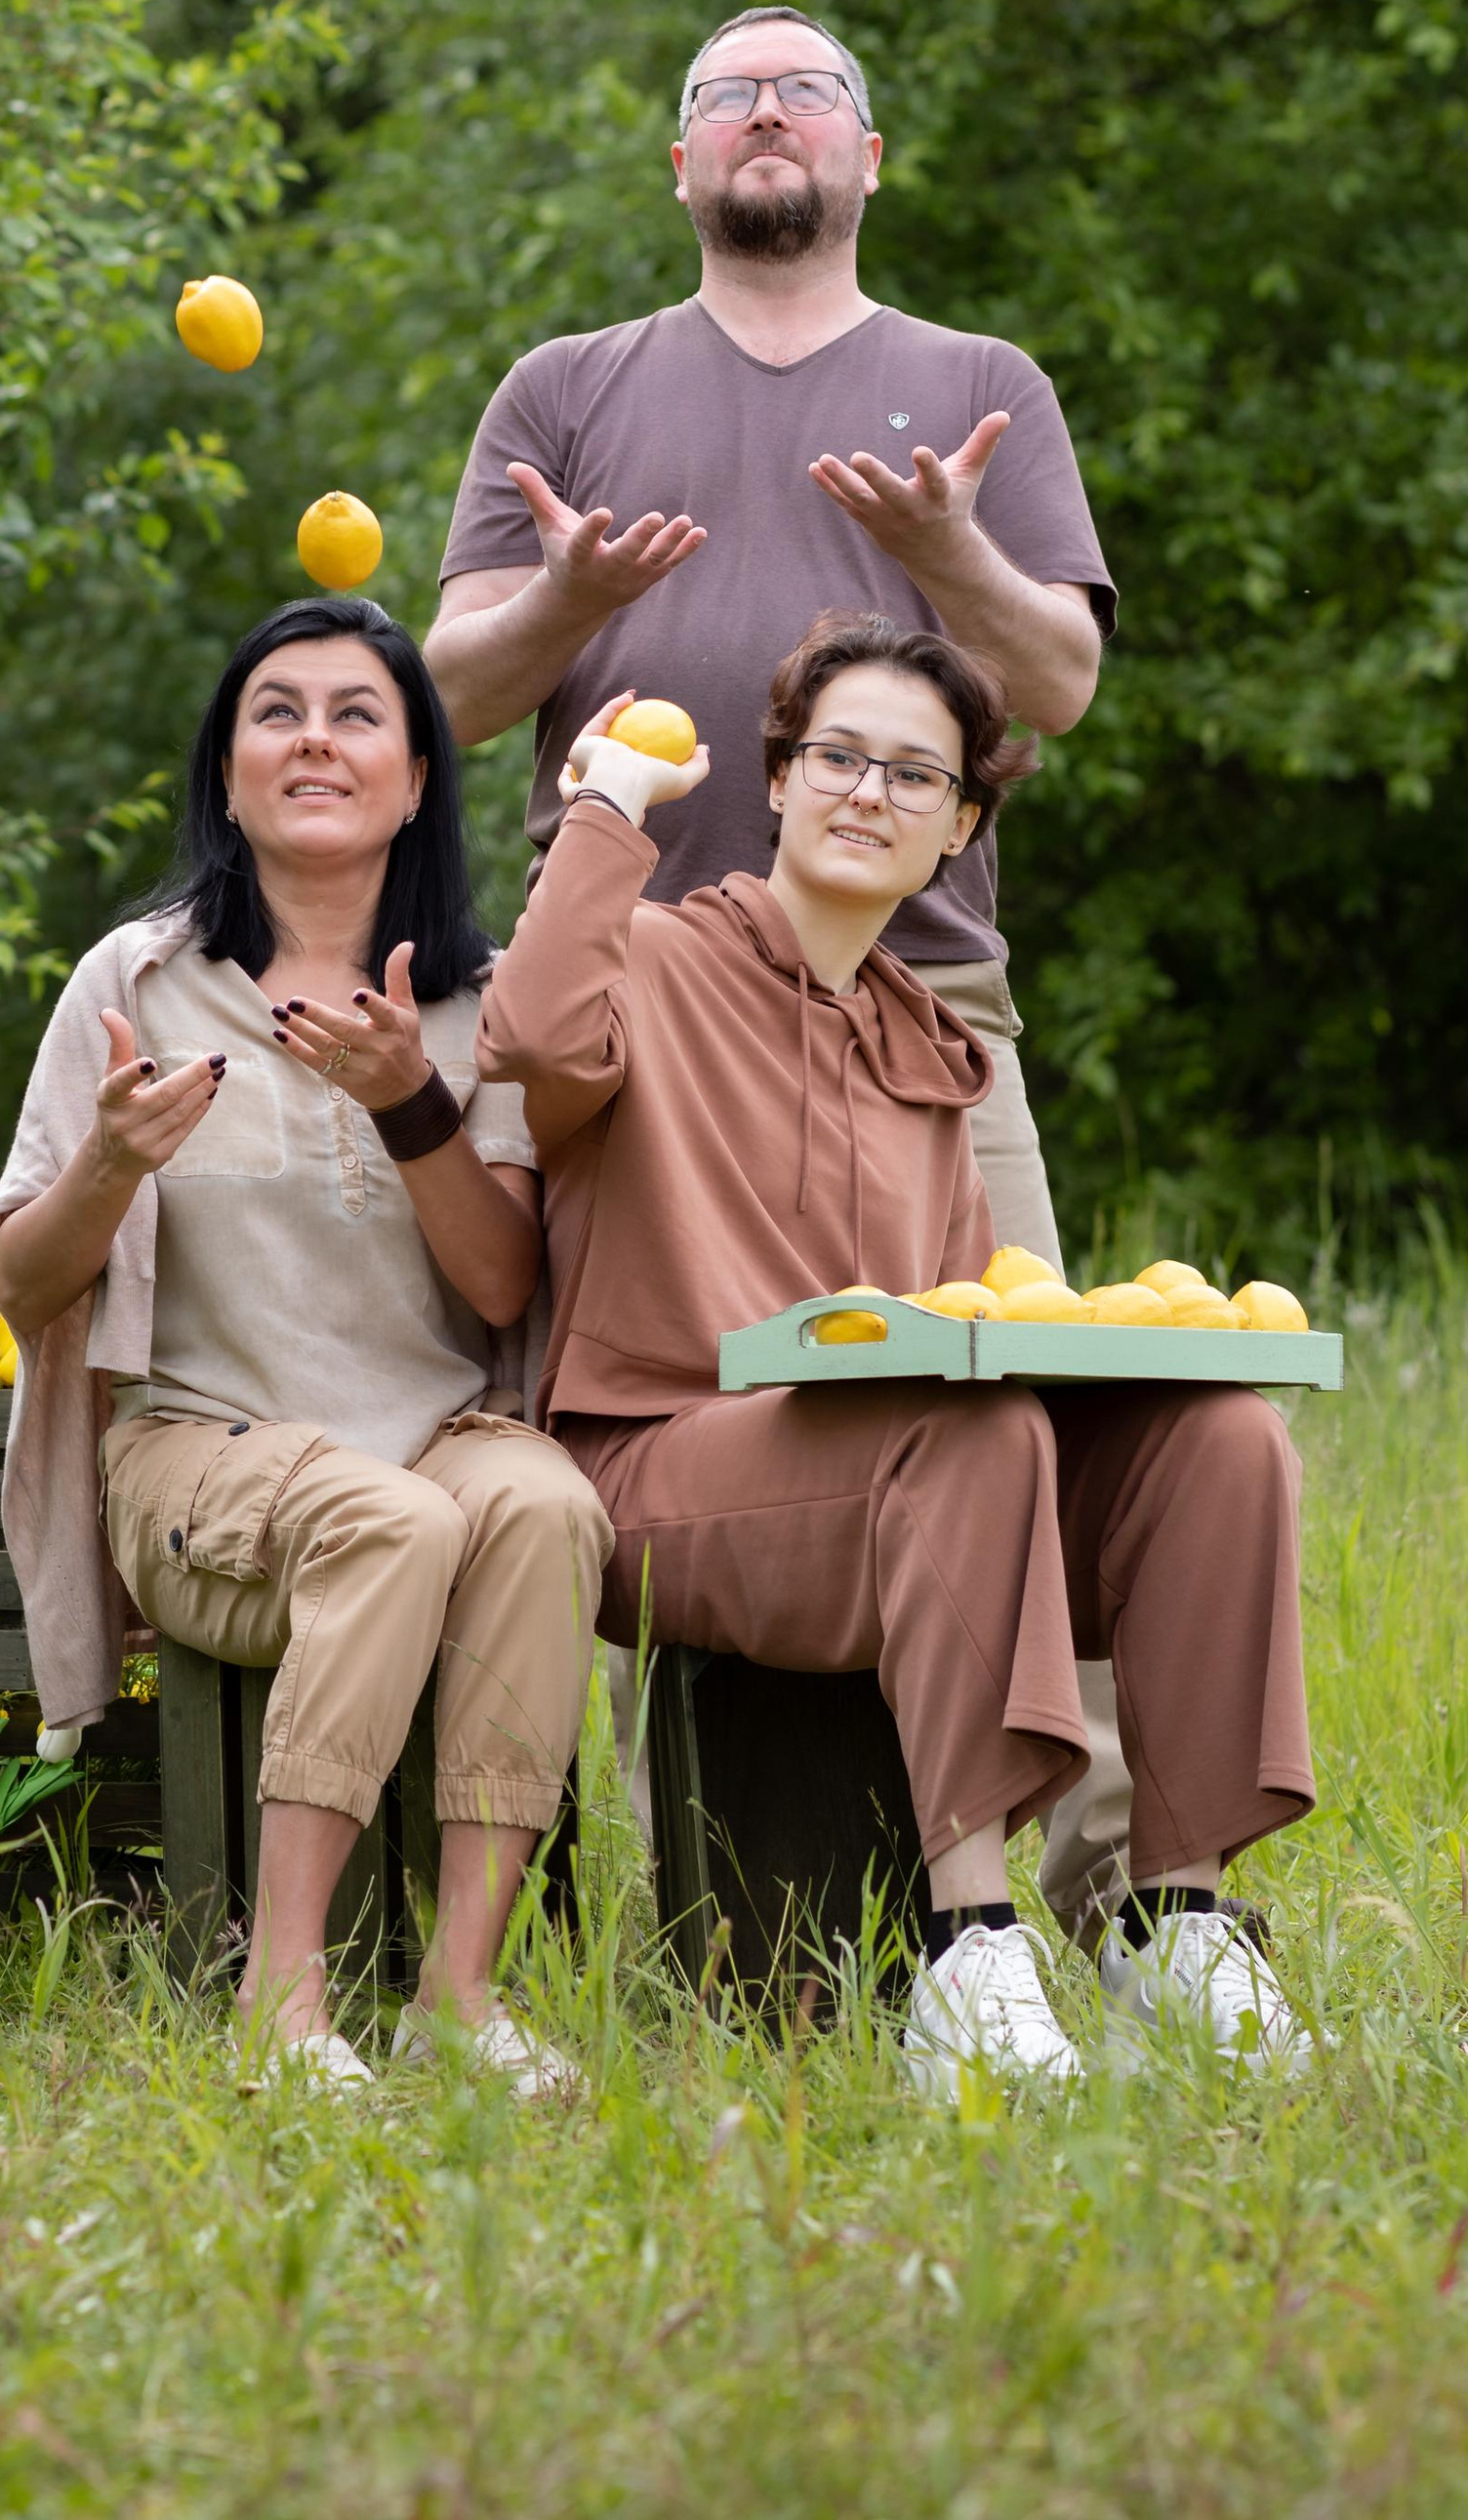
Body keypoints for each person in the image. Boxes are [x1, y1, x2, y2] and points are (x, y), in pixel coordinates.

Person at [430, 0, 1131, 1936]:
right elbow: (449, 694)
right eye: (725, 93)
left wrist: (954, 554)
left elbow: (1059, 682)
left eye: (805, 89)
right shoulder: (563, 389)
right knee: (631, 1438)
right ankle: (670, 1903)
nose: (764, 112)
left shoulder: (977, 384)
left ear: (864, 157)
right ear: (679, 163)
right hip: (626, 1006)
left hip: (924, 1008)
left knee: (1035, 1404)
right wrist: (567, 597)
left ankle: (1118, 1902)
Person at [476, 610, 1316, 2091]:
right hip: (655, 1476)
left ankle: (1174, 1924)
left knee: (1222, 1436)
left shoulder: (931, 1051)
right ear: (780, 780)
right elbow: (532, 1041)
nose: (869, 791)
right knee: (963, 1428)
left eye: (915, 774)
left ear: (961, 827)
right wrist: (608, 801)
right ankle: (966, 1948)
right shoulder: (657, 957)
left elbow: (963, 1325)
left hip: (895, 1475)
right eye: (837, 757)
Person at [0, 595, 611, 2095]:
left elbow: (502, 1284)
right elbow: (20, 1280)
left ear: (416, 776)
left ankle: (458, 1995)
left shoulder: (479, 1002)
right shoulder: (135, 984)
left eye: (355, 714)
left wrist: (412, 1102)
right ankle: (283, 1996)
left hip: (432, 1444)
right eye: (278, 712)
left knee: (544, 1502)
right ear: (228, 769)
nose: (314, 739)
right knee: (391, 1522)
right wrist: (109, 1163)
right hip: (200, 1461)